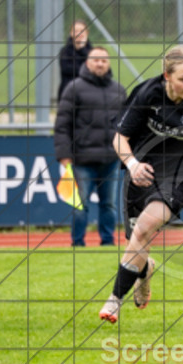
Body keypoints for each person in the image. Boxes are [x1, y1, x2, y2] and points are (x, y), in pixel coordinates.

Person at [98, 45, 183, 323]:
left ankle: (114, 300)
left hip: (179, 178)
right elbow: (120, 138)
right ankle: (145, 271)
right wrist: (133, 164)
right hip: (141, 173)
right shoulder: (146, 95)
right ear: (167, 75)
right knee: (136, 242)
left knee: (144, 229)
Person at [53, 46, 127, 247]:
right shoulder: (74, 88)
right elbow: (62, 125)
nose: (100, 64)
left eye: (104, 60)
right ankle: (77, 243)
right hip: (82, 159)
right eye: (96, 60)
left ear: (108, 63)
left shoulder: (119, 90)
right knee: (80, 205)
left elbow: (127, 125)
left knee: (109, 205)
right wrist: (64, 156)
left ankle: (108, 242)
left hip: (111, 160)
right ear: (87, 63)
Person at [58, 19, 93, 102]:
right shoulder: (65, 51)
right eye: (75, 31)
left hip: (88, 92)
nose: (79, 33)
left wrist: (82, 49)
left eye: (81, 31)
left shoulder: (92, 52)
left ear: (87, 33)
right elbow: (66, 69)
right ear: (71, 33)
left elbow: (93, 70)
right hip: (68, 92)